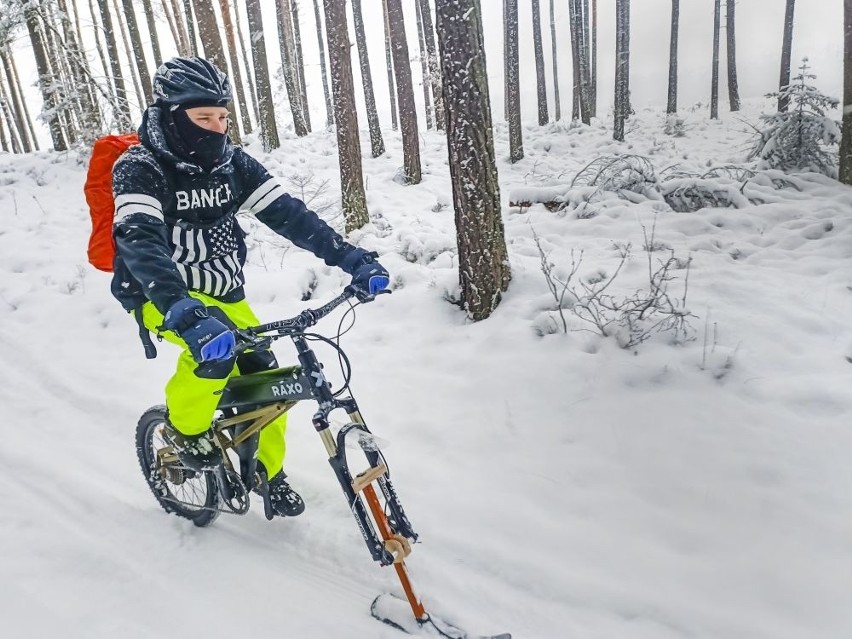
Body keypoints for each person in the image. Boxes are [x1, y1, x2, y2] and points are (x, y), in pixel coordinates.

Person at [110, 57, 388, 517]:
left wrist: (351, 258)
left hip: (224, 291)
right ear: (174, 116)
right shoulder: (140, 167)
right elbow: (139, 241)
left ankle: (266, 472)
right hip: (160, 291)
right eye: (204, 119)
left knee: (265, 375)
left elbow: (291, 216)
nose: (217, 130)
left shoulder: (231, 163)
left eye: (223, 118)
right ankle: (186, 432)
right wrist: (182, 309)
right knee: (213, 356)